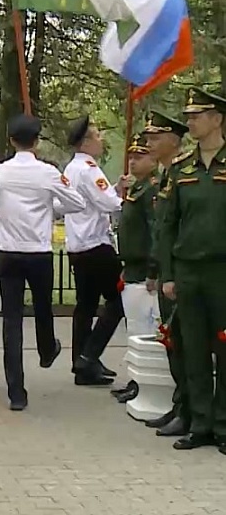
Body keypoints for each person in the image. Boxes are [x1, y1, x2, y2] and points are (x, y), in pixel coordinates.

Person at [0, 114, 85, 411]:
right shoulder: (48, 173)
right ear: (37, 141)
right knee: (44, 306)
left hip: (8, 251)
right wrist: (50, 208)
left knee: (12, 322)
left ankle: (16, 392)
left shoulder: (0, 172)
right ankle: (46, 348)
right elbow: (77, 203)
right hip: (38, 251)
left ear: (11, 141)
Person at [155, 88, 226, 452]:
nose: (190, 121)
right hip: (188, 271)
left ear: (217, 119)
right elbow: (168, 226)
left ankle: (223, 424)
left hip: (222, 272)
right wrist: (167, 274)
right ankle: (200, 424)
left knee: (225, 349)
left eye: (198, 115)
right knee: (194, 350)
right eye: (189, 116)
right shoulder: (182, 168)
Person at [62, 116, 125, 386]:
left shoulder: (72, 169)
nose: (101, 141)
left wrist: (114, 190)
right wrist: (124, 193)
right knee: (119, 301)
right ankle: (89, 355)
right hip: (96, 244)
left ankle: (82, 364)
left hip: (78, 245)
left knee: (85, 305)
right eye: (97, 136)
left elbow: (93, 201)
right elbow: (111, 204)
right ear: (86, 142)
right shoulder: (89, 169)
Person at [143, 110, 190, 438]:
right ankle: (179, 404)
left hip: (181, 270)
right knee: (172, 342)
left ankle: (188, 409)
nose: (149, 143)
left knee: (185, 344)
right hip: (167, 269)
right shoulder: (165, 174)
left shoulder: (181, 172)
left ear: (173, 140)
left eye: (155, 138)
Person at [111, 132, 160, 405]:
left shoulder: (151, 190)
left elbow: (155, 232)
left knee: (144, 328)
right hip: (131, 267)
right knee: (134, 329)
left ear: (153, 160)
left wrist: (154, 268)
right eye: (131, 156)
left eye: (140, 156)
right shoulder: (138, 189)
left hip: (143, 271)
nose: (133, 161)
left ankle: (142, 381)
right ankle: (135, 379)